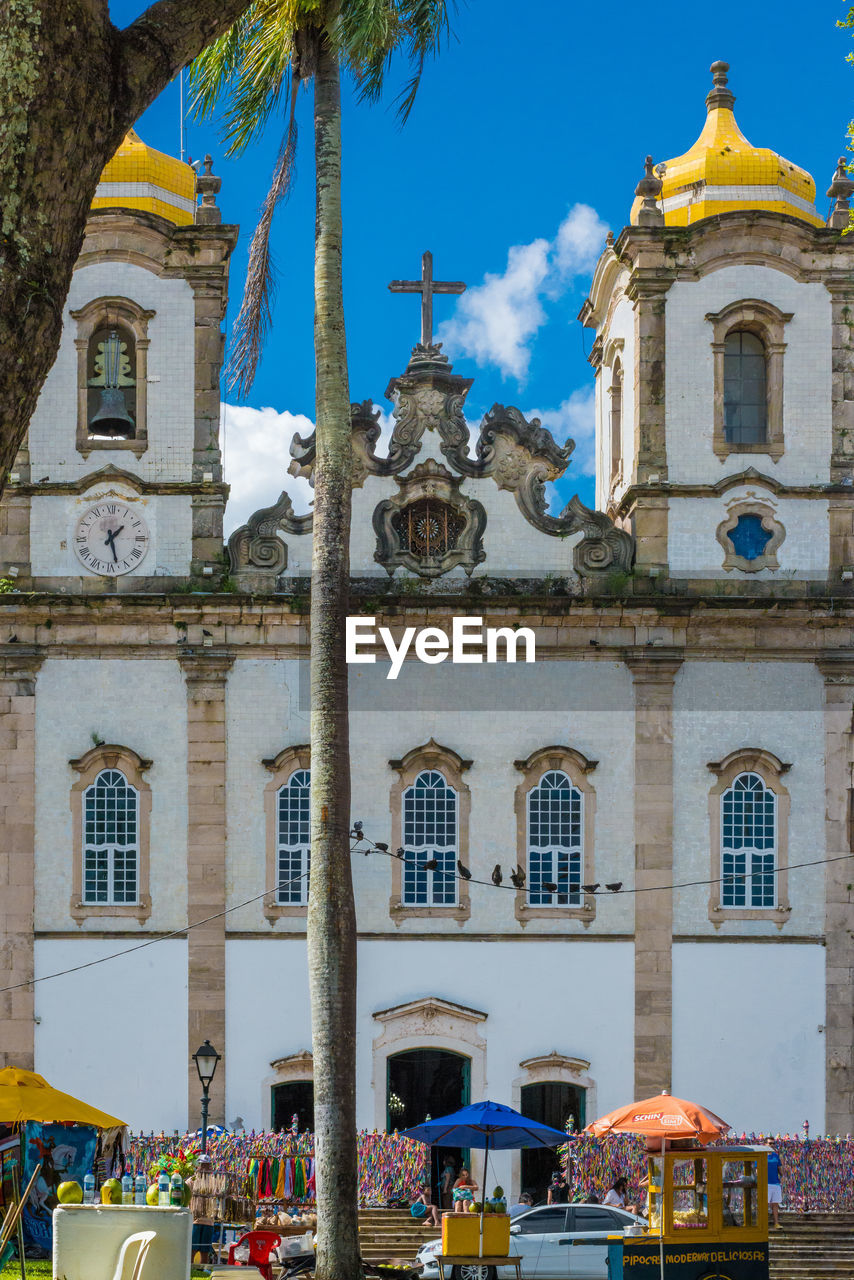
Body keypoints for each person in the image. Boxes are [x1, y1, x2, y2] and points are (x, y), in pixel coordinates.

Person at [767, 1142, 783, 1229]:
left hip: (775, 1183)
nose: (771, 1145)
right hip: (766, 1183)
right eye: (769, 1143)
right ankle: (763, 1224)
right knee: (765, 1204)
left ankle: (776, 1223)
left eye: (773, 1143)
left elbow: (780, 1170)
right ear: (765, 1144)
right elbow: (758, 1171)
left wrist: (783, 1175)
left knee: (775, 1204)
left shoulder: (776, 1156)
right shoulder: (762, 1156)